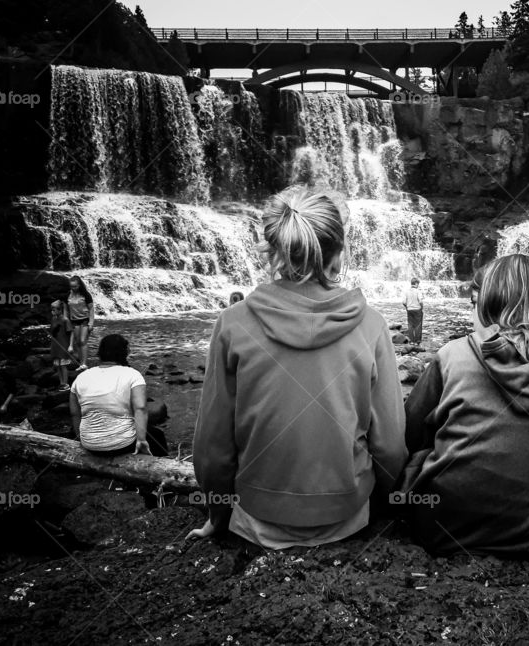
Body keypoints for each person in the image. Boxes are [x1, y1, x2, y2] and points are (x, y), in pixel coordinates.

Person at [188, 186, 407, 548]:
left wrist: (217, 512)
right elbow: (390, 447)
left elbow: (212, 447)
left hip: (256, 518)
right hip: (349, 516)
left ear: (272, 251)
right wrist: (380, 501)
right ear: (338, 252)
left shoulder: (231, 324)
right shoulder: (372, 325)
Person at [398, 254, 529, 564]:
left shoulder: (453, 354)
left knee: (424, 446)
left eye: (475, 303)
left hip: (438, 530)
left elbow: (411, 433)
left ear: (489, 304)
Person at [69, 334, 150, 456]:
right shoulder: (133, 375)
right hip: (123, 445)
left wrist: (81, 439)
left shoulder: (81, 377)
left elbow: (75, 413)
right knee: (157, 435)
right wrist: (141, 440)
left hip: (89, 445)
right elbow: (141, 408)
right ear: (125, 353)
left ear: (100, 353)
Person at [65, 275, 95, 372]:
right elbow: (65, 308)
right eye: (72, 286)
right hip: (74, 320)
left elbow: (91, 309)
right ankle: (81, 363)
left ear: (79, 285)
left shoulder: (86, 295)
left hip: (85, 319)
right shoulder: (68, 295)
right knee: (78, 342)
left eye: (75, 286)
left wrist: (91, 323)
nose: (73, 288)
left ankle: (84, 364)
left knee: (83, 341)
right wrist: (66, 318)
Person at [49, 300, 74, 391]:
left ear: (60, 310)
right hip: (55, 345)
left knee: (63, 365)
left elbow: (71, 333)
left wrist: (71, 345)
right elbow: (53, 332)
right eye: (51, 309)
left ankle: (66, 384)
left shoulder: (65, 320)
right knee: (58, 365)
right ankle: (61, 383)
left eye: (54, 309)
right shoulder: (53, 319)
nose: (52, 311)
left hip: (63, 345)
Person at [402, 278, 424, 344]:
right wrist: (421, 307)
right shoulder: (418, 291)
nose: (418, 285)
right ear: (416, 283)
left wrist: (407, 307)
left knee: (410, 325)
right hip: (417, 310)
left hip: (409, 310)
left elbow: (403, 302)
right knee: (418, 325)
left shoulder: (406, 291)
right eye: (418, 284)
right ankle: (417, 341)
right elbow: (420, 301)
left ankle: (411, 340)